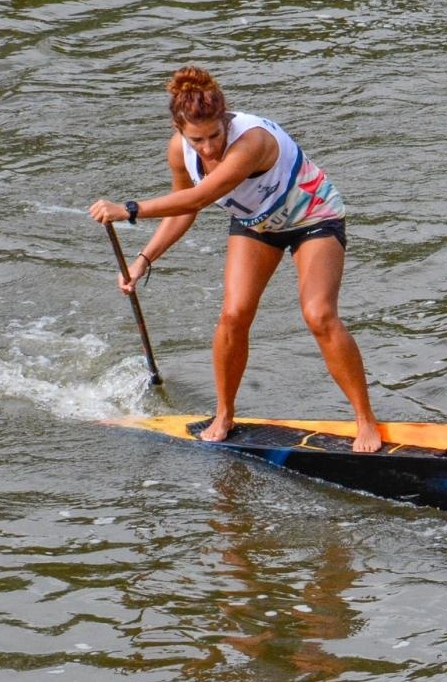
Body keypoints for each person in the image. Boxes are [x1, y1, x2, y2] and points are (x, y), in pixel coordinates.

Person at [88, 66, 383, 452]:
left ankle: (365, 420)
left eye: (214, 135)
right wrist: (144, 258)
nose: (208, 147)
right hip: (257, 223)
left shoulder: (251, 143)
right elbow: (183, 212)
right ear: (180, 130)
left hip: (314, 217)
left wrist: (128, 209)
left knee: (318, 314)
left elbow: (198, 198)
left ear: (226, 120)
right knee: (234, 314)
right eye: (197, 139)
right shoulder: (180, 149)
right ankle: (224, 413)